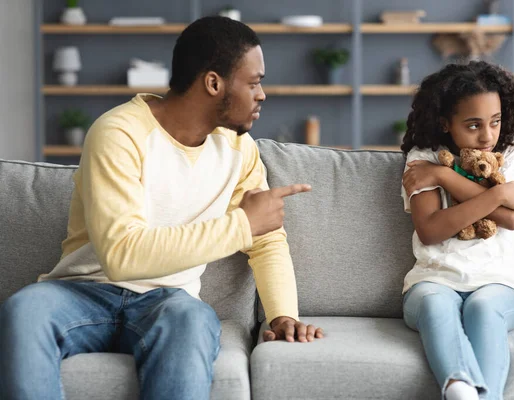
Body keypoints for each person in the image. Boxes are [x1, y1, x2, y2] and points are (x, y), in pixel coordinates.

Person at [0, 16, 323, 400]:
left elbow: (265, 241)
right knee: (24, 311)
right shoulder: (119, 133)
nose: (262, 94)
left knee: (191, 319)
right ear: (214, 83)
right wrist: (241, 225)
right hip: (82, 291)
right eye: (254, 83)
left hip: (169, 301)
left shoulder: (239, 149)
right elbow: (121, 254)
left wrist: (282, 315)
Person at [399, 61, 514, 400]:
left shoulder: (510, 156)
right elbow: (431, 231)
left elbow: (510, 218)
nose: (487, 135)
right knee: (435, 304)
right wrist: (497, 193)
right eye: (473, 125)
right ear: (445, 123)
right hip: (433, 280)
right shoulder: (424, 159)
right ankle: (459, 387)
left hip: (501, 282)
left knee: (483, 308)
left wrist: (445, 178)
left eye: (495, 122)